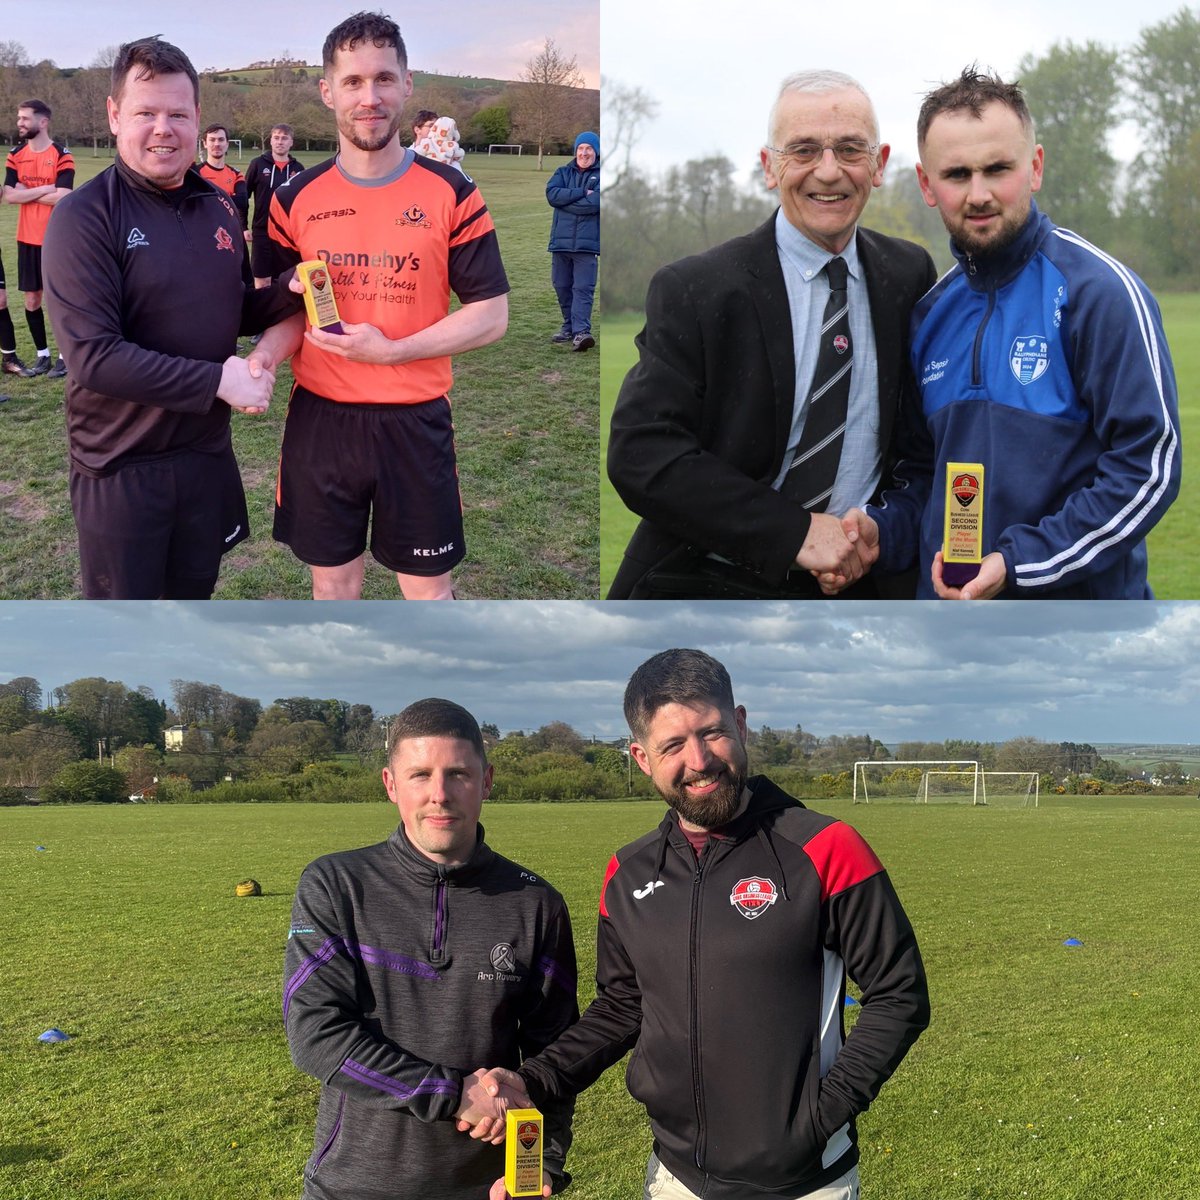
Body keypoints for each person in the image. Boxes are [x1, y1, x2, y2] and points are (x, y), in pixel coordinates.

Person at [469, 649, 929, 1200]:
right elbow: (623, 1005)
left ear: (739, 723)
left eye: (711, 733)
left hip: (804, 1183)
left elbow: (899, 994)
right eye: (672, 746)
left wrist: (816, 1117)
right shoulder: (627, 871)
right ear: (641, 758)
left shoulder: (826, 848)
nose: (699, 760)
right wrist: (534, 1078)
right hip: (674, 1177)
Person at [841, 68, 1181, 600]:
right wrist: (884, 530)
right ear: (928, 185)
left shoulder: (1098, 293)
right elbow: (924, 472)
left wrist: (1020, 562)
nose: (979, 194)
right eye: (956, 174)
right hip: (953, 639)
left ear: (1035, 167)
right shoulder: (930, 313)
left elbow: (1148, 467)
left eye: (997, 168)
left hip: (1079, 642)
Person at [606, 71, 936, 600]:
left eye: (851, 149)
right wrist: (797, 534)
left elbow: (917, 451)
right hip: (707, 578)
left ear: (879, 165)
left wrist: (880, 524)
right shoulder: (696, 288)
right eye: (803, 150)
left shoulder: (909, 275)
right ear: (768, 166)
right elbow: (641, 454)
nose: (828, 172)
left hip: (861, 589)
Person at [42, 36, 304, 599]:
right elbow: (93, 357)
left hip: (205, 457)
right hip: (122, 469)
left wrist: (291, 288)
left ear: (198, 119)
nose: (163, 128)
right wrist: (219, 380)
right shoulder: (83, 217)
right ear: (115, 116)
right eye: (146, 113)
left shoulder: (221, 206)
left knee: (193, 613)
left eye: (177, 114)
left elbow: (229, 309)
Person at [284, 697, 578, 1200]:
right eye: (420, 774)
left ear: (486, 782)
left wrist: (538, 1165)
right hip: (354, 1185)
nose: (439, 795)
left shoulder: (536, 903)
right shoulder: (337, 883)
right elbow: (315, 1032)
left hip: (492, 1186)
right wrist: (452, 1095)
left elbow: (554, 1055)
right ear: (391, 784)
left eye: (458, 774)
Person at [266, 11, 509, 600]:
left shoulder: (453, 193)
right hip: (321, 421)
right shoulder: (292, 198)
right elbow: (277, 307)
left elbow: (491, 315)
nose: (368, 97)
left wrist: (392, 351)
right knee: (332, 588)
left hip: (414, 419)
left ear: (406, 83)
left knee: (427, 594)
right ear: (328, 91)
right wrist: (264, 359)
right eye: (352, 81)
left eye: (382, 78)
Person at [2, 99, 73, 378]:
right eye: (18, 118)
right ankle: (42, 355)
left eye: (25, 118)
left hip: (56, 239)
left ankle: (64, 357)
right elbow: (8, 195)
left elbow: (64, 196)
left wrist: (26, 192)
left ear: (43, 122)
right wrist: (46, 188)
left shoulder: (61, 154)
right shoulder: (15, 154)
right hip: (26, 239)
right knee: (32, 300)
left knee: (60, 299)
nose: (19, 123)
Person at [545, 132, 599, 352]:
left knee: (582, 289)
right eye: (581, 149)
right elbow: (552, 195)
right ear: (576, 150)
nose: (584, 153)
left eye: (589, 149)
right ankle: (568, 326)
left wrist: (565, 201)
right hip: (561, 243)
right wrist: (580, 193)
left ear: (596, 152)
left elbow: (593, 204)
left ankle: (581, 332)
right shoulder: (562, 172)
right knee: (562, 286)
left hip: (586, 247)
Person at [245, 123, 304, 287]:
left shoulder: (298, 169)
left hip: (287, 234)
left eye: (285, 138)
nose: (280, 142)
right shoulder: (257, 164)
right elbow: (244, 196)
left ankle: (282, 313)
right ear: (271, 141)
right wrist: (243, 226)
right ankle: (263, 312)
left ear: (291, 142)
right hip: (262, 231)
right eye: (276, 138)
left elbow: (303, 204)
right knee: (262, 280)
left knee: (285, 280)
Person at [197, 122, 250, 234]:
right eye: (212, 140)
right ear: (205, 143)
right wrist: (229, 197)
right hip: (201, 231)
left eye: (221, 140)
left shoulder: (236, 174)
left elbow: (242, 201)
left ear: (227, 144)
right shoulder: (195, 173)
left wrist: (208, 197)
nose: (217, 143)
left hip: (228, 232)